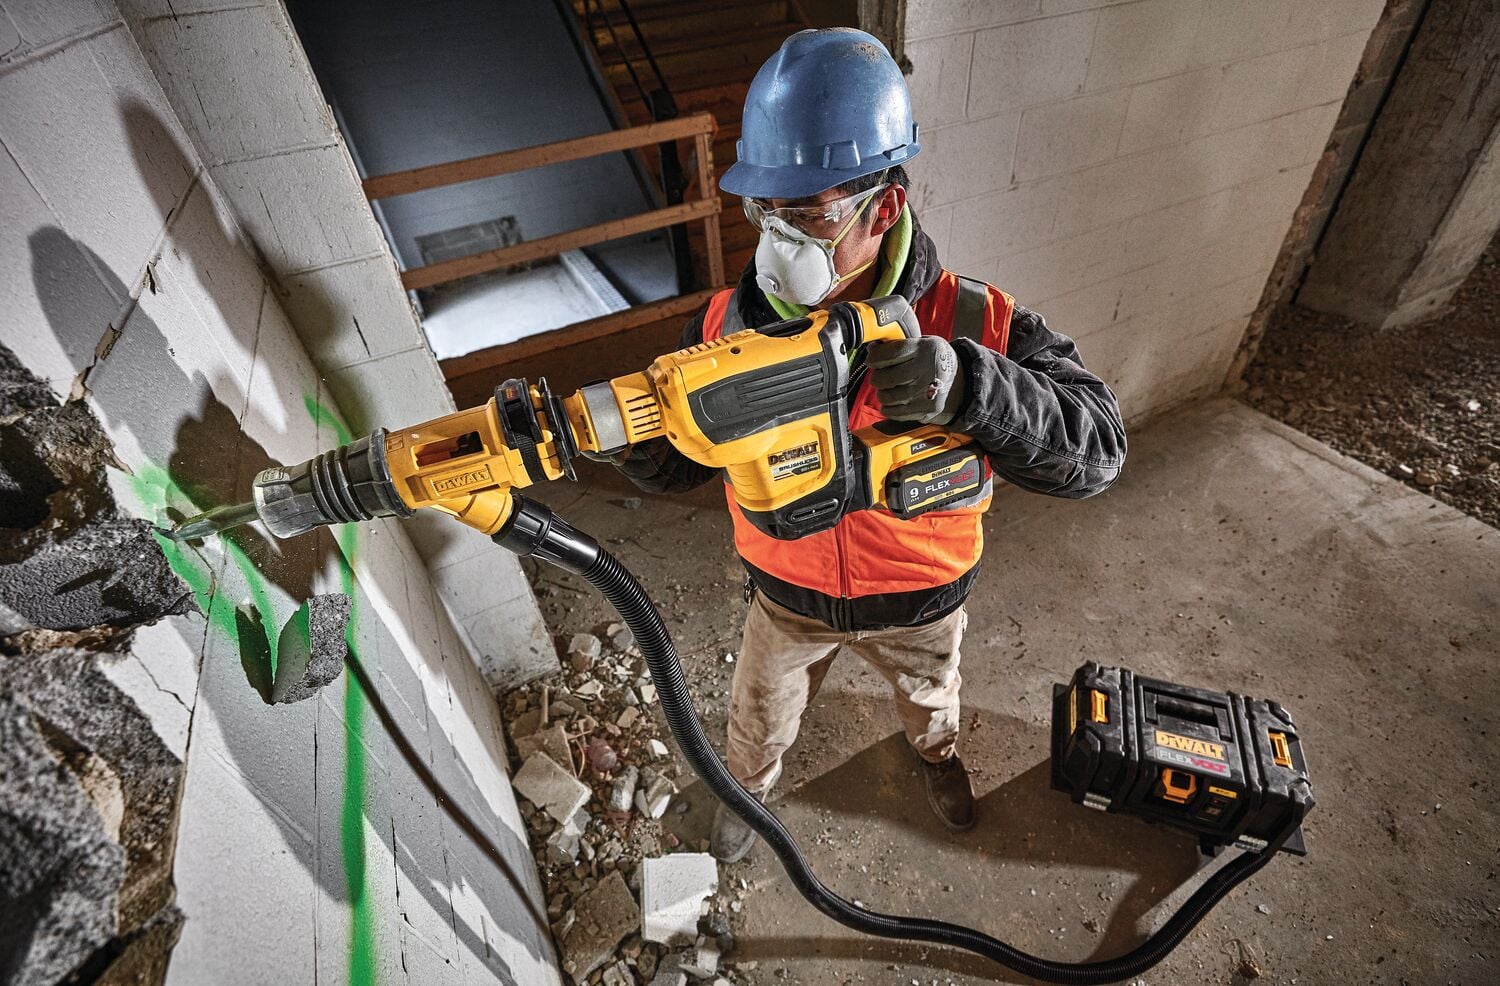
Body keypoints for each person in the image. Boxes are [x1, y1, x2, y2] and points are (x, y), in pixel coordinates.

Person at [598, 28, 1126, 862]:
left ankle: (937, 758)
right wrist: (628, 436)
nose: (778, 242)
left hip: (921, 601)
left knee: (931, 698)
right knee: (757, 715)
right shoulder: (726, 329)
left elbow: (1097, 450)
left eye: (807, 214)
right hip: (786, 600)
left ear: (885, 207)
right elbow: (674, 466)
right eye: (765, 211)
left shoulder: (973, 321)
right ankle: (747, 794)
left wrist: (974, 388)